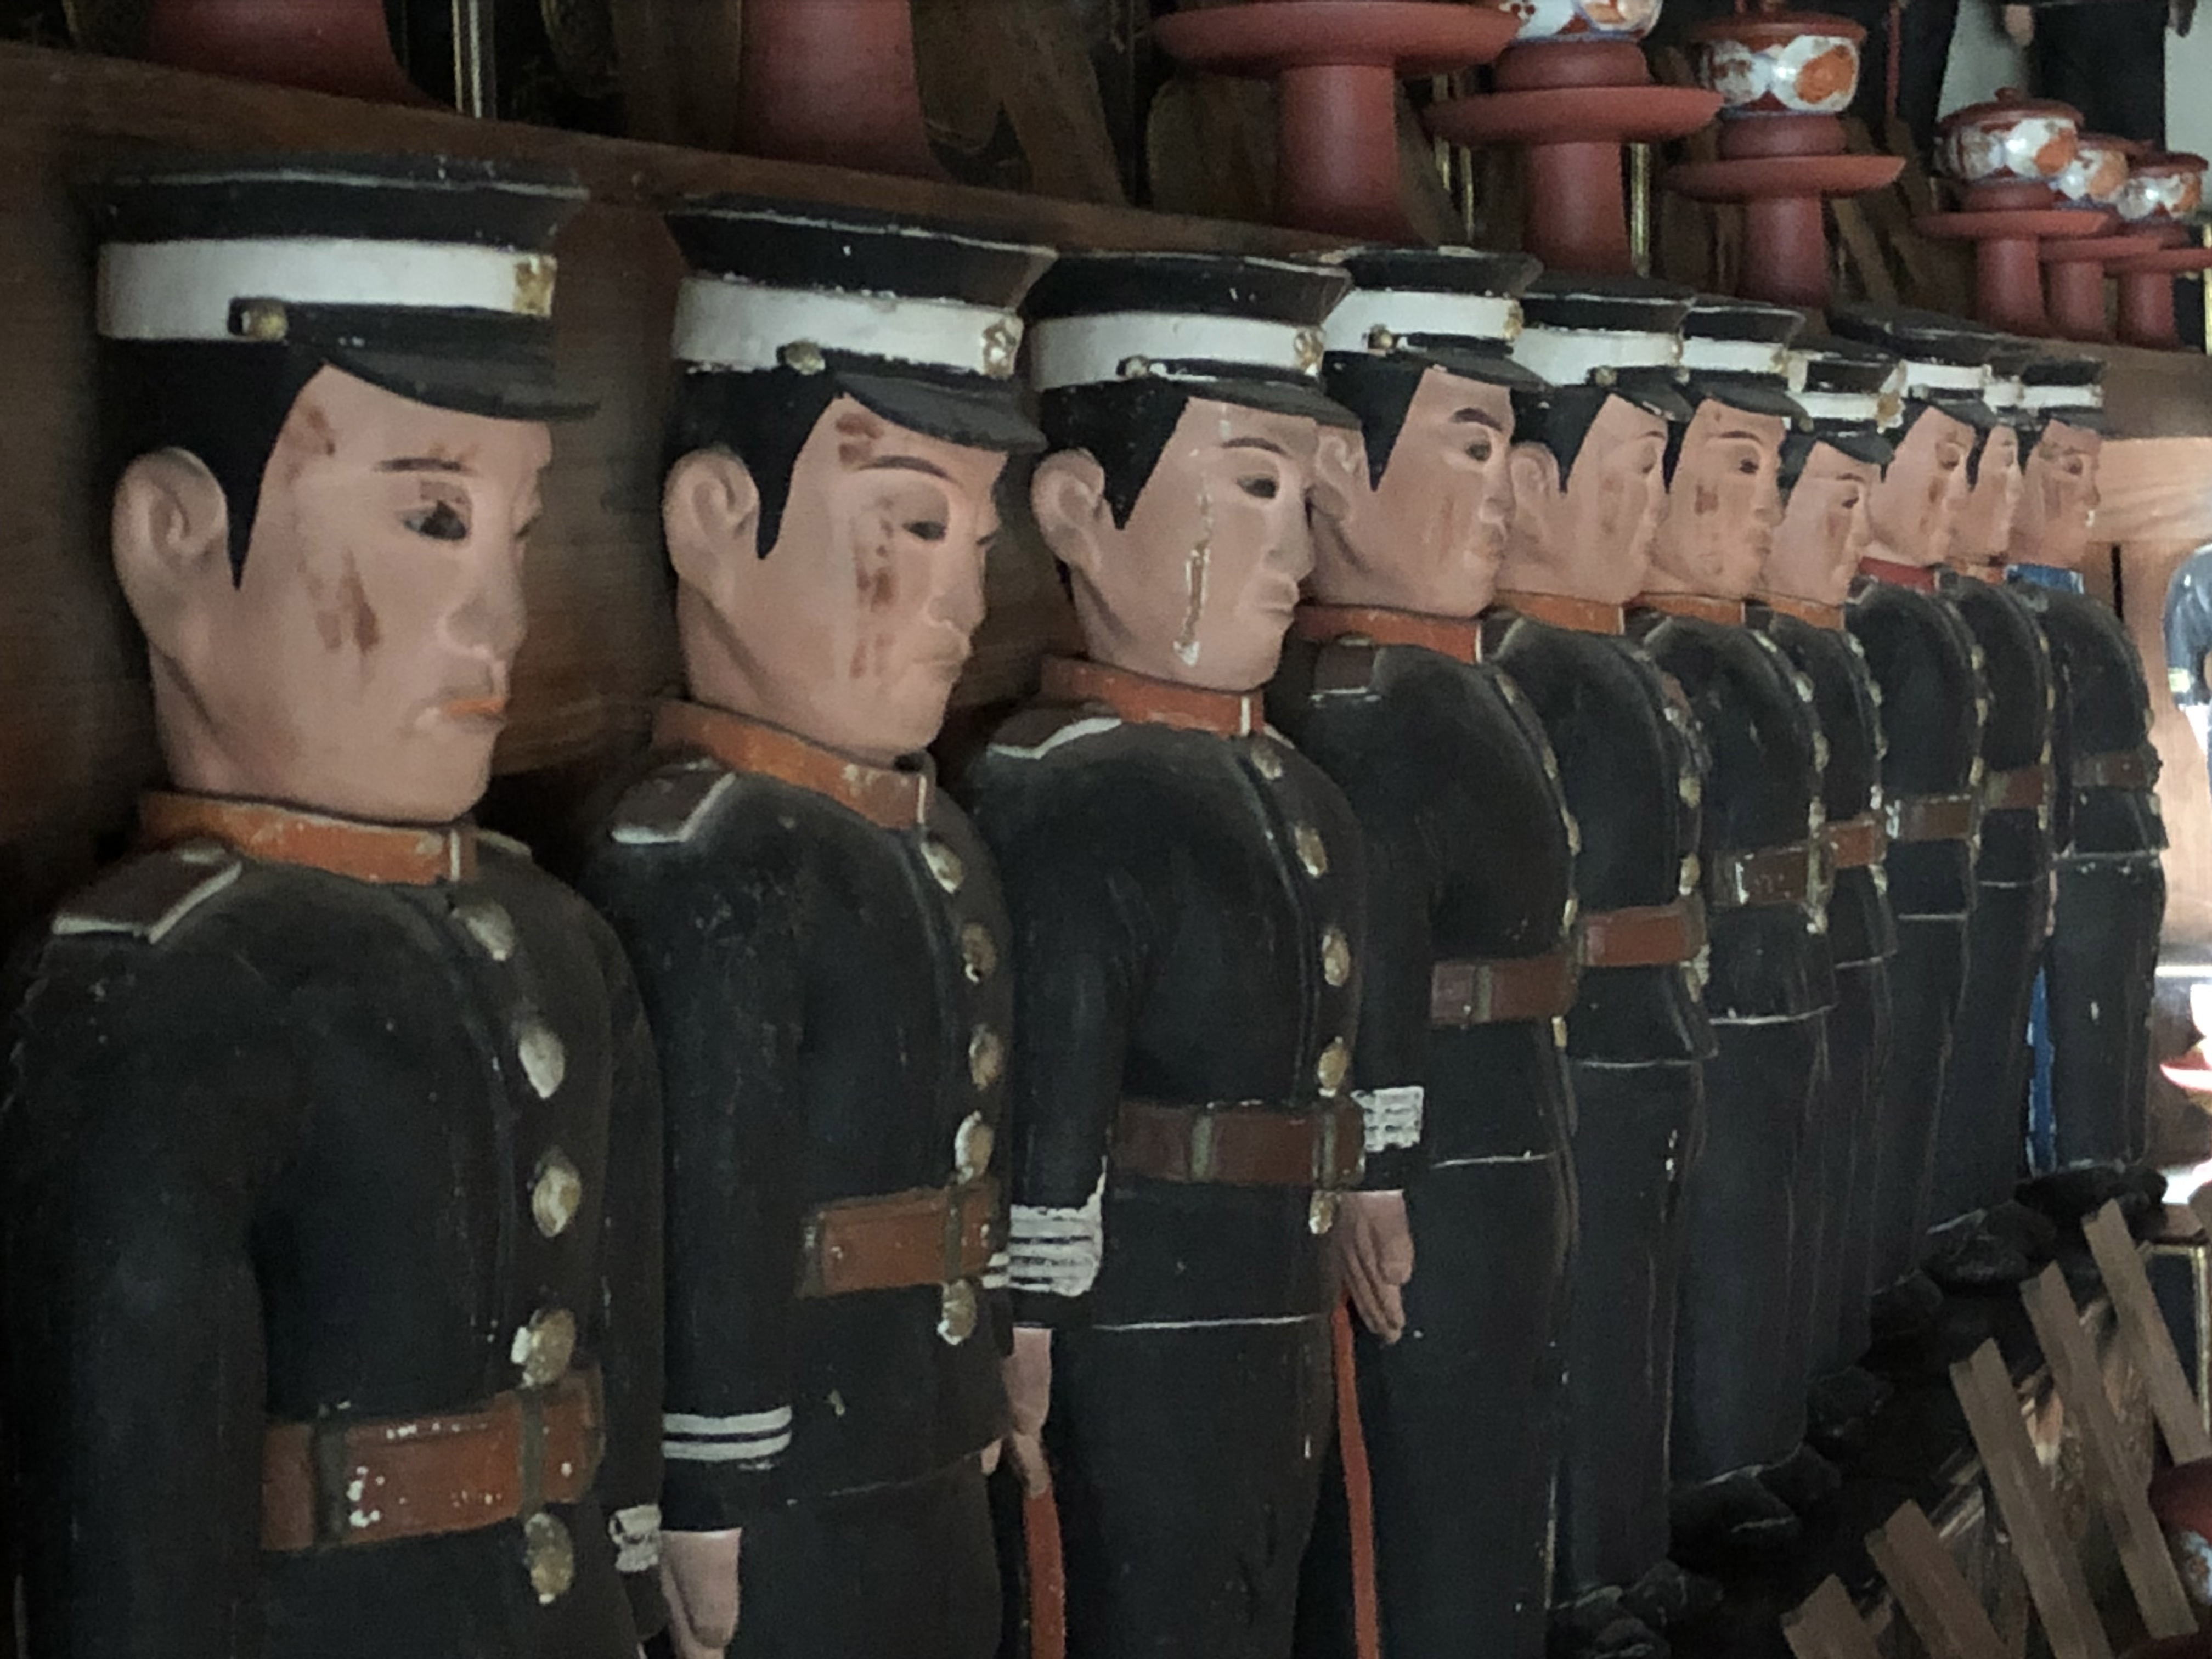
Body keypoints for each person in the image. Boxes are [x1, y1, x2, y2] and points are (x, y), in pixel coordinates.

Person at [2, 153, 666, 1656]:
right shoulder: (157, 993)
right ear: (176, 540)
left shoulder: (549, 934)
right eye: (432, 520)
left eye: (518, 531)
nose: (502, 618)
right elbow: (131, 1535)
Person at [577, 200, 1054, 1659]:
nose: (963, 596)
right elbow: (703, 1209)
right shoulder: (703, 861)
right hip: (792, 1460)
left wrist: (986, 1354)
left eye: (977, 537)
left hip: (923, 1422)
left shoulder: (925, 833)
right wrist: (707, 1480)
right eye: (913, 525)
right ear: (716, 522)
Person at [962, 251, 1371, 1659]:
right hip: (1139, 1308)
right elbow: (1053, 1078)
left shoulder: (1288, 785)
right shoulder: (1070, 795)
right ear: (1077, 510)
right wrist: (1029, 1306)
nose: (1296, 551)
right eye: (1251, 488)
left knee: (1268, 1580)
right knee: (1152, 1595)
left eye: (1300, 500)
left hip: (1276, 1283)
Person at [1269, 246, 1580, 1659]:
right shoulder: (1366, 705)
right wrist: (1377, 1165)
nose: (1502, 492)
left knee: (1509, 1431)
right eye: (1470, 447)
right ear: (1343, 468)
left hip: (1515, 1106)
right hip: (1442, 1139)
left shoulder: (1457, 681)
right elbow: (1376, 942)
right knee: (1433, 1459)